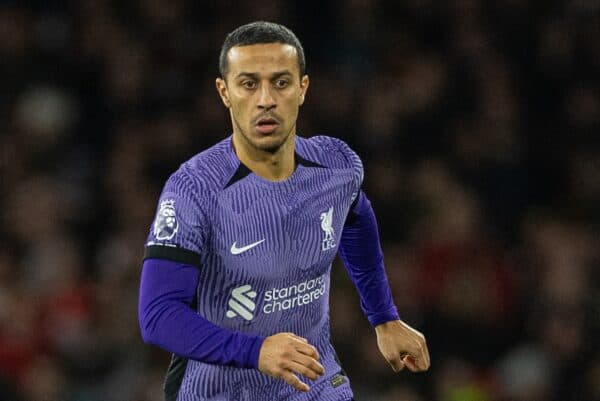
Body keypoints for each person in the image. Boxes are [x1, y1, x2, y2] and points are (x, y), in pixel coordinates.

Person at [138, 21, 430, 401]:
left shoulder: (336, 166)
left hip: (315, 385)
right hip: (219, 392)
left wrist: (384, 316)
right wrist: (256, 351)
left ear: (303, 89)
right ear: (224, 92)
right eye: (248, 84)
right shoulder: (194, 189)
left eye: (280, 82)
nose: (266, 100)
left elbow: (357, 218)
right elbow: (158, 315)